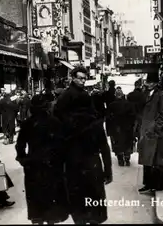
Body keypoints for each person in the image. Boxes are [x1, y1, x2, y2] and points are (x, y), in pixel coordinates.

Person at [54, 66, 113, 225]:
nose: (83, 80)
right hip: (92, 165)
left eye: (84, 78)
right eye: (80, 78)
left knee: (77, 202)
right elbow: (104, 148)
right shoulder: (94, 124)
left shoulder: (65, 125)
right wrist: (108, 171)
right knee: (94, 202)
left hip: (73, 167)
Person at [16, 95, 69, 225]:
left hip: (33, 164)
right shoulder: (55, 122)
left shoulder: (28, 123)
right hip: (52, 164)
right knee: (51, 195)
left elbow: (20, 144)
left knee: (35, 195)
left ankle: (37, 219)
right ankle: (50, 219)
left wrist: (23, 159)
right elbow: (62, 144)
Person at [138, 72, 163, 194]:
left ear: (156, 83)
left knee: (157, 161)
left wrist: (156, 128)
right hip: (148, 133)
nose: (149, 84)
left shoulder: (160, 96)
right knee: (148, 160)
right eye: (148, 82)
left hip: (154, 134)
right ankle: (149, 184)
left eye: (152, 82)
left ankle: (158, 185)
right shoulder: (148, 94)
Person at [107, 88, 137, 166]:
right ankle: (127, 157)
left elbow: (108, 119)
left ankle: (120, 159)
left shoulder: (111, 105)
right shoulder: (129, 104)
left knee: (117, 143)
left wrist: (108, 131)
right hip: (127, 127)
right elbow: (133, 116)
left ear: (115, 95)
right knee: (127, 142)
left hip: (116, 128)